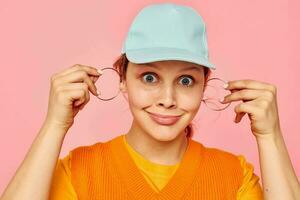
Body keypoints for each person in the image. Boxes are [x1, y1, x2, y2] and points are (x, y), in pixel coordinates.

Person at [1, 3, 299, 200]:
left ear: (204, 86)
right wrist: (55, 125)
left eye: (186, 81)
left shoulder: (234, 176)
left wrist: (269, 137)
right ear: (122, 80)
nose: (167, 100)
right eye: (149, 77)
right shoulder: (80, 172)